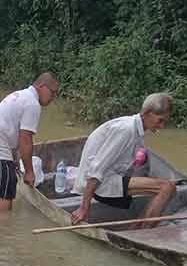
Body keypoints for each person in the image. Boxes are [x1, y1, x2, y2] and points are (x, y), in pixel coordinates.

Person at [70, 92, 175, 228]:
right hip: (99, 185)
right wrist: (84, 207)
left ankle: (137, 227)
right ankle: (145, 232)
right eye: (160, 120)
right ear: (147, 113)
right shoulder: (126, 130)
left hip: (109, 178)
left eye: (164, 122)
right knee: (167, 187)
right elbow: (96, 170)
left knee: (166, 188)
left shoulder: (135, 128)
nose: (161, 126)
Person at [0, 72, 60, 210]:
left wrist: (14, 160)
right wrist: (29, 171)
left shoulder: (20, 95)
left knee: (0, 192)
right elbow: (25, 139)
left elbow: (11, 130)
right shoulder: (32, 104)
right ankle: (3, 230)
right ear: (42, 86)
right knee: (6, 194)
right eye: (53, 92)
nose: (53, 97)